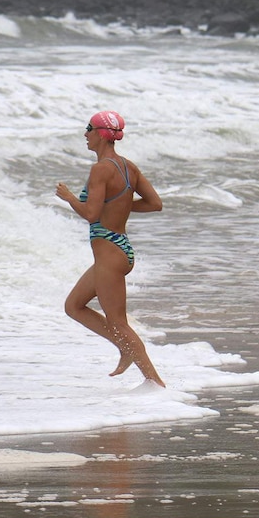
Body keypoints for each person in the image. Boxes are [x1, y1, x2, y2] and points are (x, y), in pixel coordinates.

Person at [55, 111, 166, 387]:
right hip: (118, 251)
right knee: (73, 306)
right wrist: (119, 207)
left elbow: (91, 214)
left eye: (88, 128)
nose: (85, 134)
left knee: (119, 322)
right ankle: (125, 349)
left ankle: (155, 383)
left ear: (101, 133)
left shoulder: (101, 169)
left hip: (109, 256)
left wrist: (69, 198)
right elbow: (154, 203)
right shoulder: (129, 167)